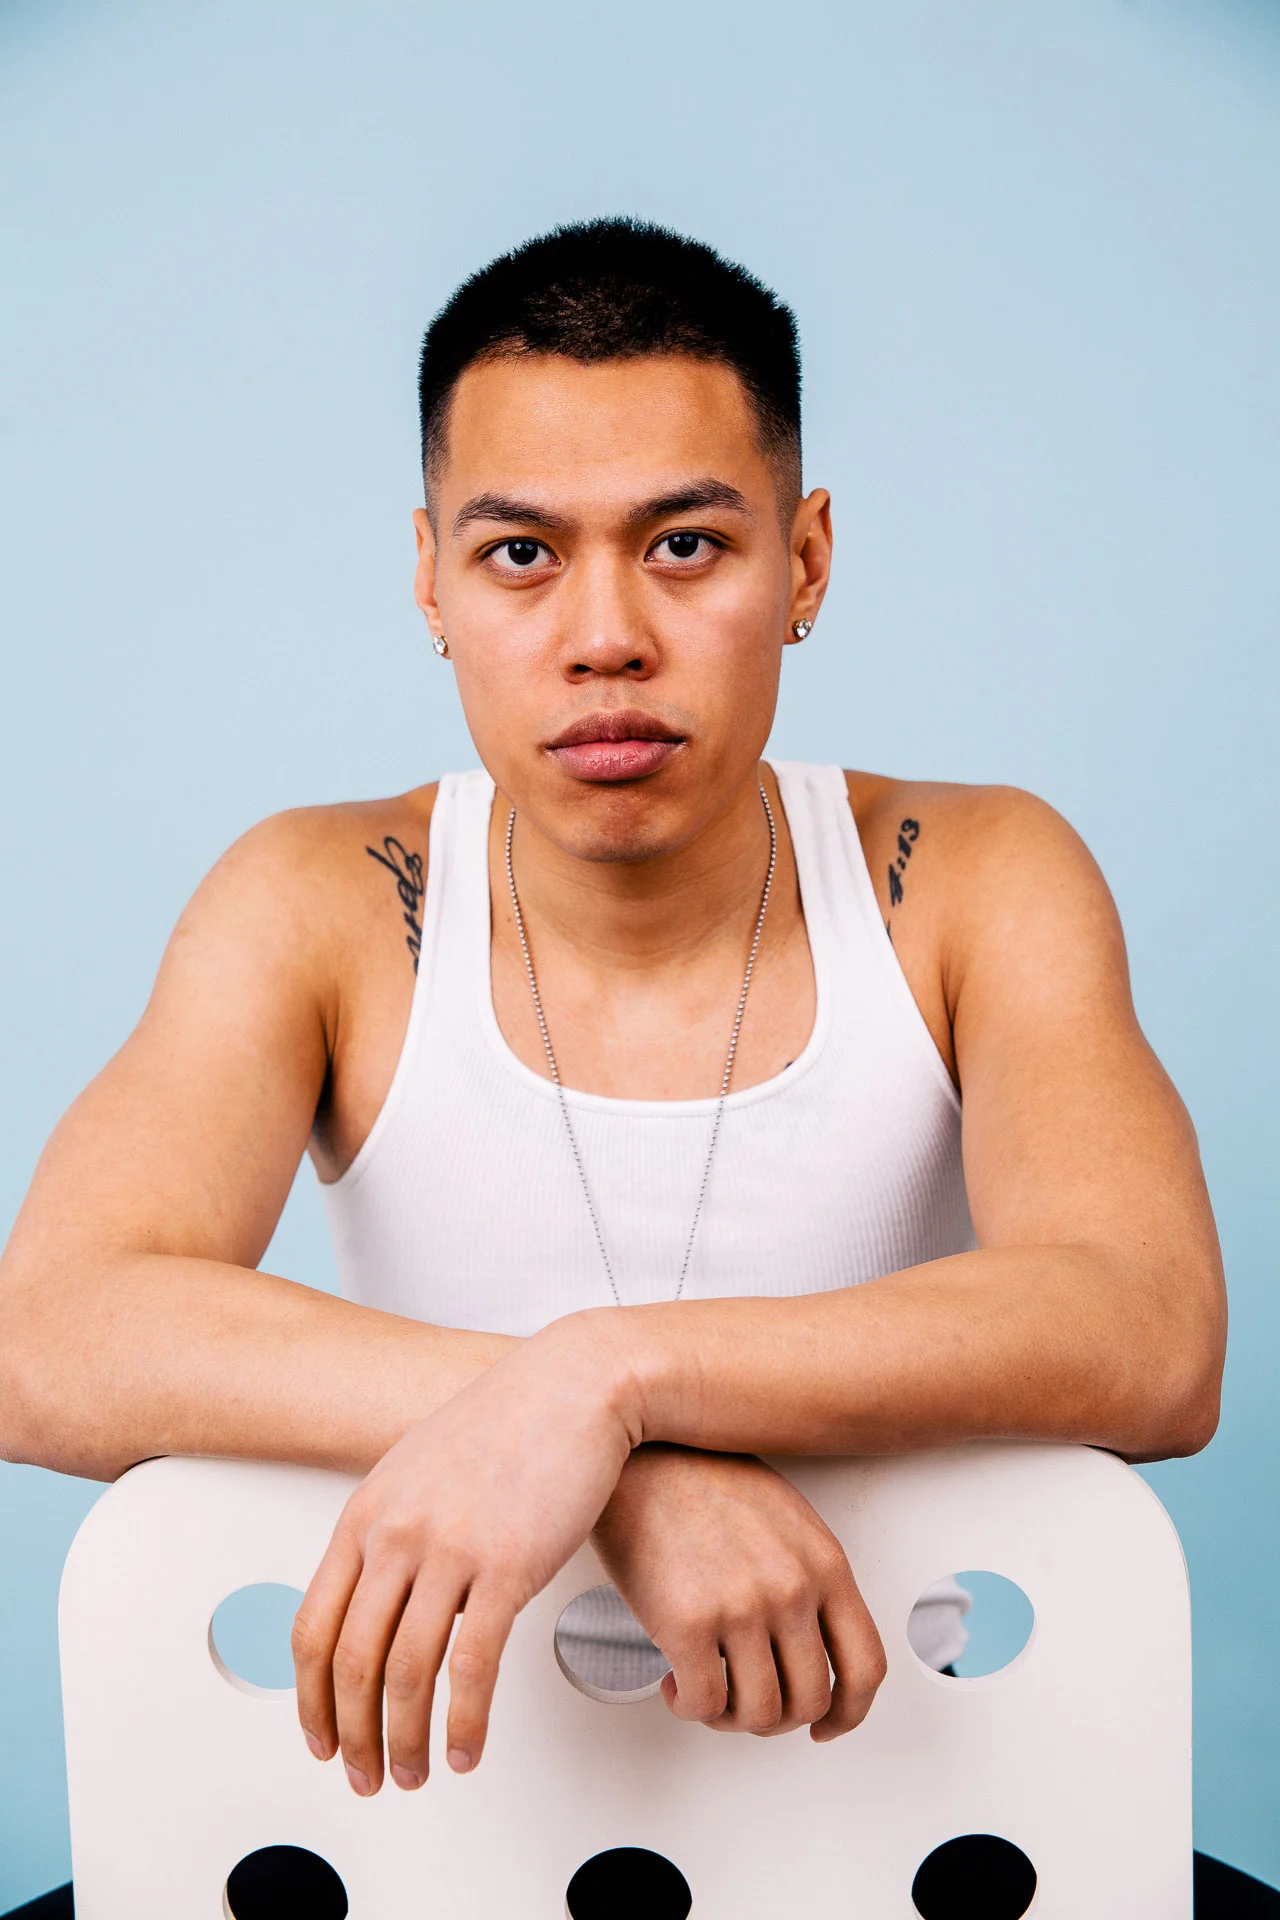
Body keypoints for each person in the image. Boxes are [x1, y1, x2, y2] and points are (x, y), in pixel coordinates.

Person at [0, 218, 1268, 1917]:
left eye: (685, 544)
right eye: (522, 554)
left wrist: (604, 1385)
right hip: (419, 1838)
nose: (605, 635)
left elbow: (1150, 1331)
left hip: (902, 1812)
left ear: (805, 562)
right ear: (432, 580)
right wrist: (627, 1471)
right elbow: (50, 1338)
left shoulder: (972, 878)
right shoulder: (320, 899)